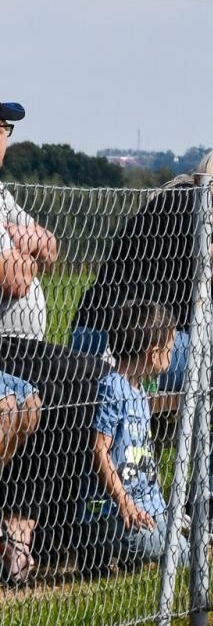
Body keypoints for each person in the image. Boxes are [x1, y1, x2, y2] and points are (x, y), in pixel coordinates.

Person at [71, 136, 213, 538]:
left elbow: (195, 306)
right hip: (115, 344)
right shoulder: (187, 201)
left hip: (146, 340)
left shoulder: (201, 211)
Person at [0, 97, 112, 581]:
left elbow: (49, 245)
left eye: (4, 131)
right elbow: (15, 278)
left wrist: (18, 237)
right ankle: (26, 530)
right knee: (72, 383)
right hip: (7, 345)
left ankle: (48, 526)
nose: (1, 140)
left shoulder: (2, 195)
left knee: (94, 380)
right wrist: (22, 245)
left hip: (23, 346)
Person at [83, 299, 189, 572]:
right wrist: (124, 501)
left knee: (186, 551)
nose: (172, 353)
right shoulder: (113, 388)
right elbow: (99, 449)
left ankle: (139, 552)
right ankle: (109, 544)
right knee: (171, 551)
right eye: (169, 349)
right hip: (115, 511)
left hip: (149, 505)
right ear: (153, 354)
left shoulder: (139, 390)